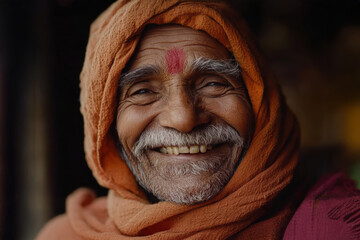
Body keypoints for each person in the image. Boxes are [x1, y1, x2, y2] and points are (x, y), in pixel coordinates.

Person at [37, 0, 360, 239]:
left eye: (214, 83)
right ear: (103, 121)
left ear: (262, 104)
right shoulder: (66, 235)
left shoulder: (332, 226)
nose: (183, 119)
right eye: (142, 91)